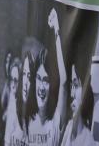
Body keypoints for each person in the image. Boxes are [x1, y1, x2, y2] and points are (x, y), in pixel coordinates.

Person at [27, 8, 67, 146]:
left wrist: (56, 31)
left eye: (46, 81)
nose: (41, 87)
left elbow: (64, 81)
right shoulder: (27, 122)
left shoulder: (54, 124)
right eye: (38, 78)